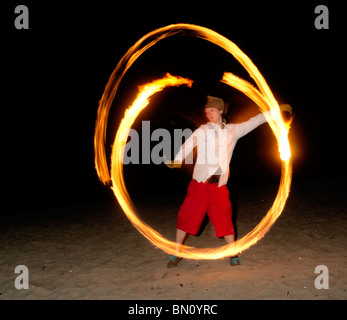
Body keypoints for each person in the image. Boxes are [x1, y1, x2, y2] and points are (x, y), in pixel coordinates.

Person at [166, 95, 292, 268]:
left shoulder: (234, 130)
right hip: (200, 184)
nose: (208, 113)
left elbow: (256, 120)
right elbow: (188, 144)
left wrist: (276, 111)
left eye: (212, 110)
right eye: (207, 110)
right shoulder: (203, 130)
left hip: (219, 186)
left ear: (220, 111)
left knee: (225, 220)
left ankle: (233, 254)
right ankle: (176, 253)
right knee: (186, 218)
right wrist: (177, 159)